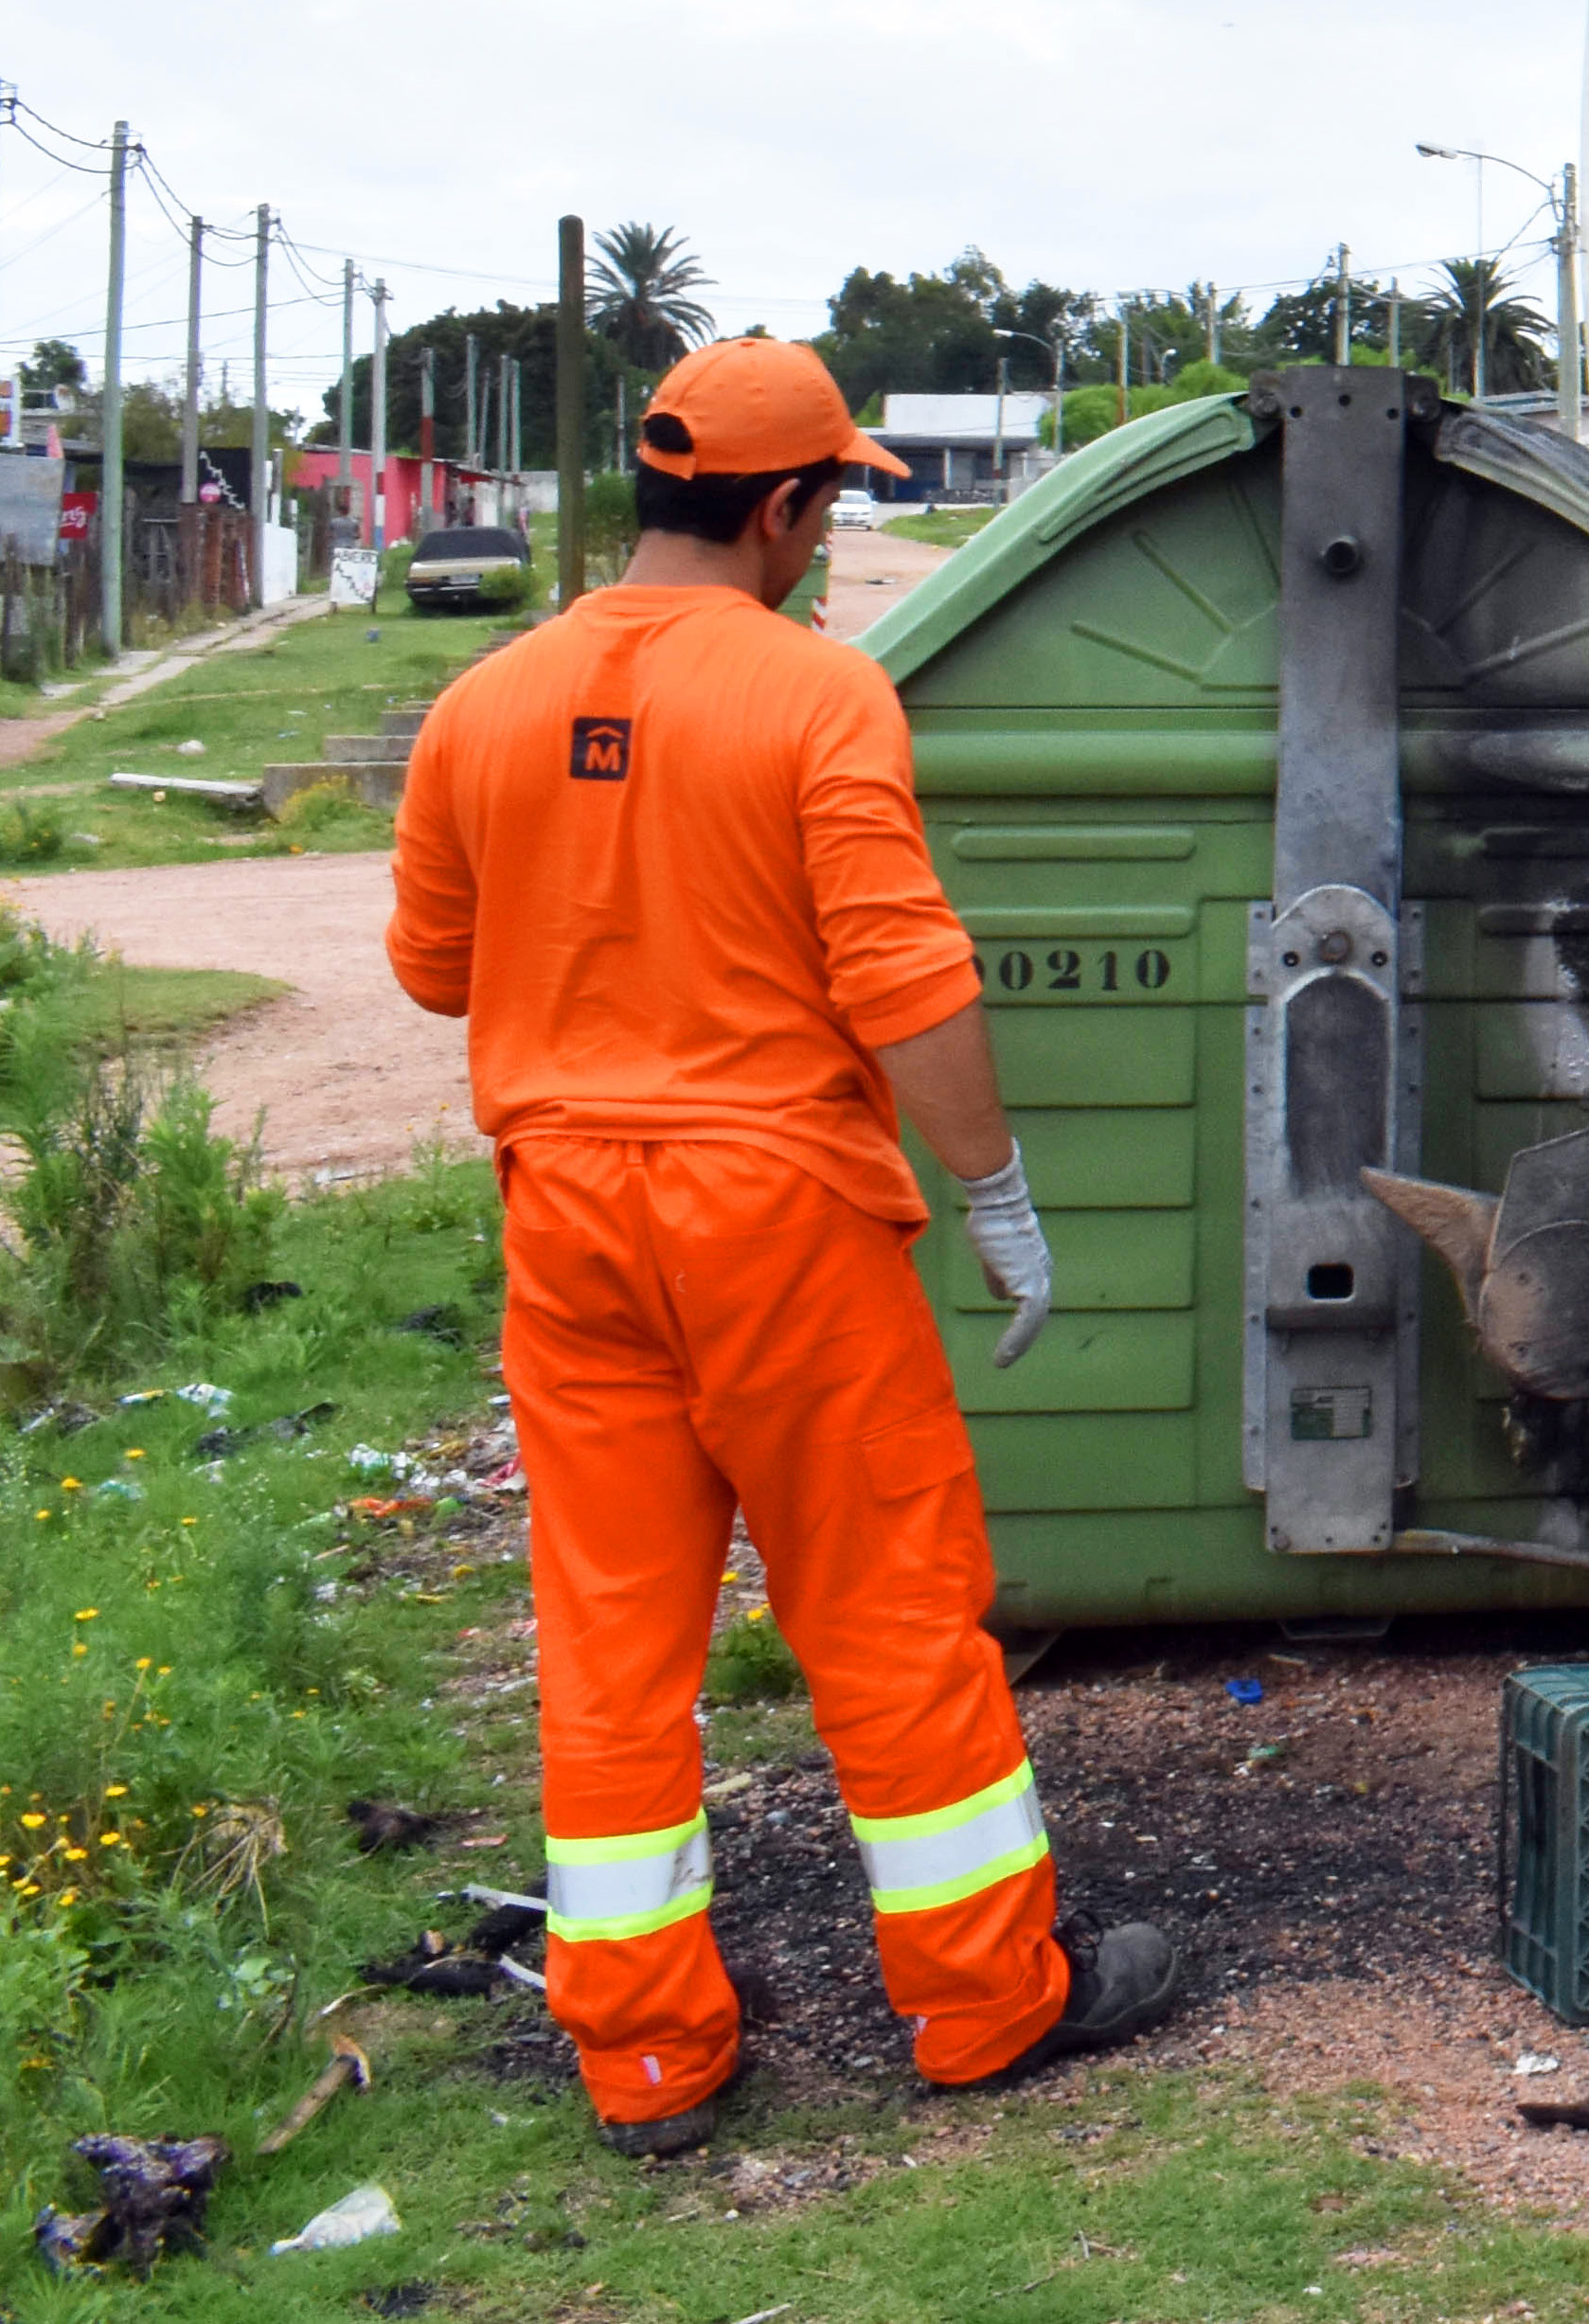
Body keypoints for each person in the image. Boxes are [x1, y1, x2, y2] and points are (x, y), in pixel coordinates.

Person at [384, 336, 1180, 2156]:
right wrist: (993, 1192)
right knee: (886, 1606)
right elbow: (907, 980)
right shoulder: (819, 697)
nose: (827, 545)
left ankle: (647, 2050)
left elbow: (436, 966)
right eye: (830, 507)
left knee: (609, 1632)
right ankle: (987, 2000)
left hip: (570, 1214)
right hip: (775, 1216)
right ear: (782, 504)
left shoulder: (485, 702)